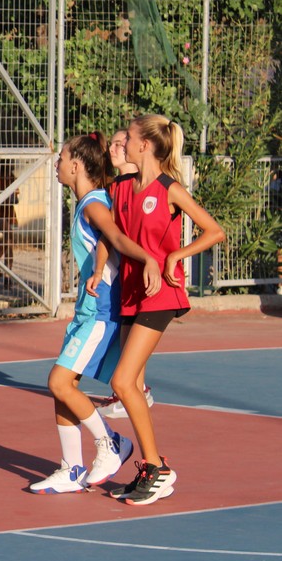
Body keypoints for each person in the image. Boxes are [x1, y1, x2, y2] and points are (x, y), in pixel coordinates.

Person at [104, 114, 225, 504]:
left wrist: (176, 255)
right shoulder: (121, 187)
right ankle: (149, 467)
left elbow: (214, 231)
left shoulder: (169, 189)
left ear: (144, 145)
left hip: (161, 294)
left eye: (128, 138)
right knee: (130, 386)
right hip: (131, 293)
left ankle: (156, 467)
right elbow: (114, 235)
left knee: (123, 382)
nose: (123, 143)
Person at [30, 133, 158, 493]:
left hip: (101, 312)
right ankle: (71, 469)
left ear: (75, 165)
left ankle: (111, 442)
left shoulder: (94, 204)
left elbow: (116, 238)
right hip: (87, 311)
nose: (56, 164)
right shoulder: (88, 202)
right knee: (64, 388)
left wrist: (147, 259)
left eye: (61, 158)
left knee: (58, 382)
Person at [95, 127, 154, 417]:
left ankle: (135, 390)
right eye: (114, 143)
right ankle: (134, 390)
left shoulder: (148, 187)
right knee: (127, 335)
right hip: (126, 273)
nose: (114, 148)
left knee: (132, 338)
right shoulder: (116, 188)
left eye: (121, 142)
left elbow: (120, 236)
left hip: (144, 273)